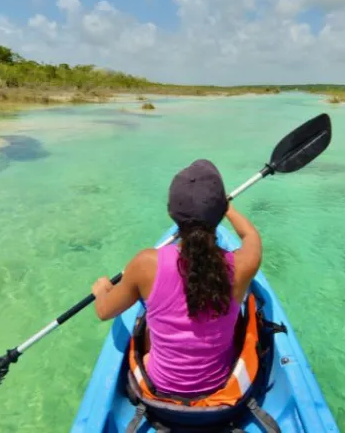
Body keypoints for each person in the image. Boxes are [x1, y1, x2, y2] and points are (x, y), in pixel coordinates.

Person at [90, 159, 262, 397]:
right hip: (219, 388)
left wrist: (102, 291)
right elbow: (250, 235)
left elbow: (104, 311)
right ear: (220, 211)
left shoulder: (145, 264)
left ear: (172, 213)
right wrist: (228, 208)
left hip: (161, 387)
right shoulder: (244, 264)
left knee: (150, 319)